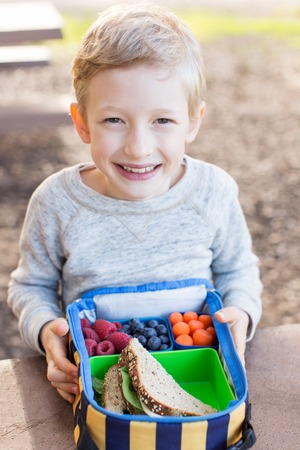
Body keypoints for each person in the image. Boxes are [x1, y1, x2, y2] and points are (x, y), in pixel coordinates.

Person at [7, 3, 262, 404]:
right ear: (81, 122)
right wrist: (47, 334)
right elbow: (30, 286)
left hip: (202, 381)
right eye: (114, 120)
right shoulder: (56, 202)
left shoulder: (214, 191)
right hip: (94, 386)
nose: (138, 147)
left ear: (193, 121)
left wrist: (240, 315)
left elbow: (239, 272)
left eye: (162, 120)